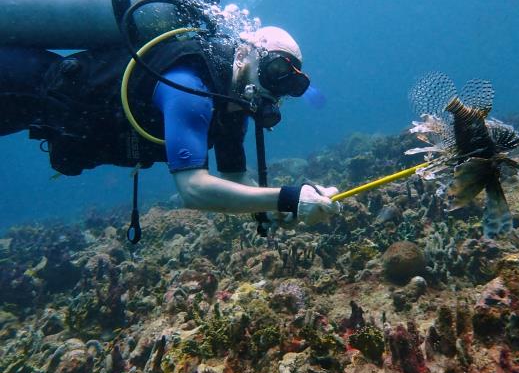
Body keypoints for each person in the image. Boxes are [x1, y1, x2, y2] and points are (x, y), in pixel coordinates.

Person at [0, 24, 341, 229]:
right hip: (20, 81)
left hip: (34, 110)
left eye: (289, 86)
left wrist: (290, 205)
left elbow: (237, 183)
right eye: (276, 72)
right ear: (246, 56)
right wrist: (286, 199)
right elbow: (194, 190)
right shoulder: (191, 87)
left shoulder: (230, 106)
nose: (275, 89)